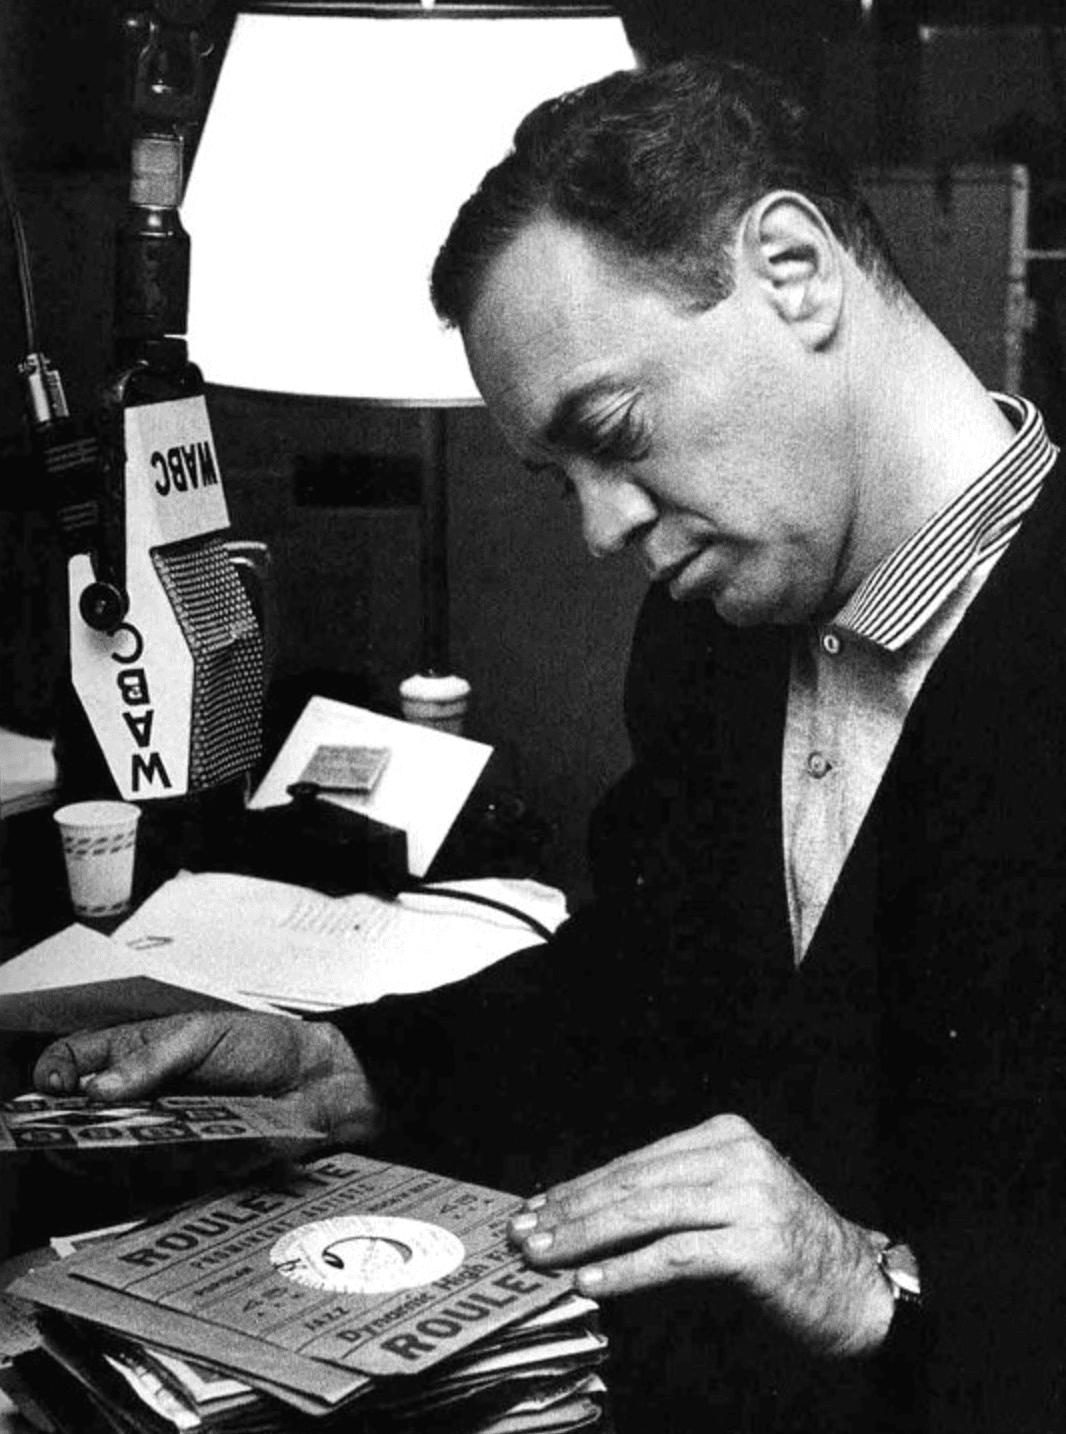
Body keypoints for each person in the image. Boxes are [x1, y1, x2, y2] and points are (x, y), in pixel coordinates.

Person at [33, 58, 1066, 1431]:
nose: (601, 529)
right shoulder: (707, 636)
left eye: (616, 432)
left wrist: (880, 1286)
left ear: (794, 271)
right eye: (562, 479)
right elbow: (635, 992)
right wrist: (341, 1066)